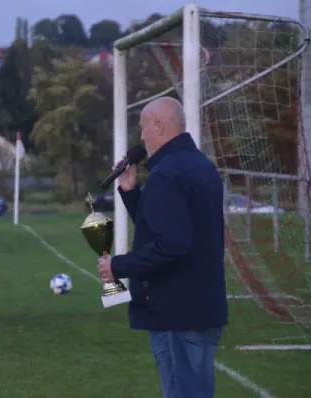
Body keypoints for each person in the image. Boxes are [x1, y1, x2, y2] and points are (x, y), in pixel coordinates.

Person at [97, 96, 228, 398]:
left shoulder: (166, 174)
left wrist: (118, 266)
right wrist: (131, 193)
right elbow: (169, 226)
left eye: (143, 127)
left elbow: (172, 244)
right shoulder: (202, 166)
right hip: (203, 308)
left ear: (158, 126)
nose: (141, 136)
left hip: (176, 312)